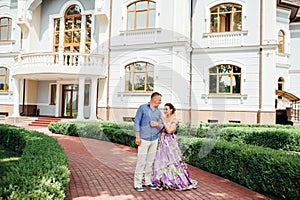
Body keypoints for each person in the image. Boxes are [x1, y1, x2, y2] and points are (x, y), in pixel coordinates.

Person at [152, 103, 198, 190]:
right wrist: (157, 124)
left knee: (171, 160)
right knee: (160, 159)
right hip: (161, 141)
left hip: (170, 142)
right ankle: (160, 178)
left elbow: (169, 131)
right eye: (164, 109)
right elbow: (159, 130)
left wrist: (163, 121)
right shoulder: (163, 119)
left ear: (171, 110)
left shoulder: (175, 120)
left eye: (166, 109)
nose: (165, 111)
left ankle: (171, 179)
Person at [133, 92, 163, 192]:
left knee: (150, 162)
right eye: (159, 99)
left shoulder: (158, 112)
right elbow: (137, 122)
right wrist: (137, 137)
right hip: (143, 139)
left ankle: (148, 181)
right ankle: (137, 183)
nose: (160, 101)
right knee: (141, 161)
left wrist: (157, 125)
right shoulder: (142, 108)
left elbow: (162, 125)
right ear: (153, 99)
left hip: (154, 139)